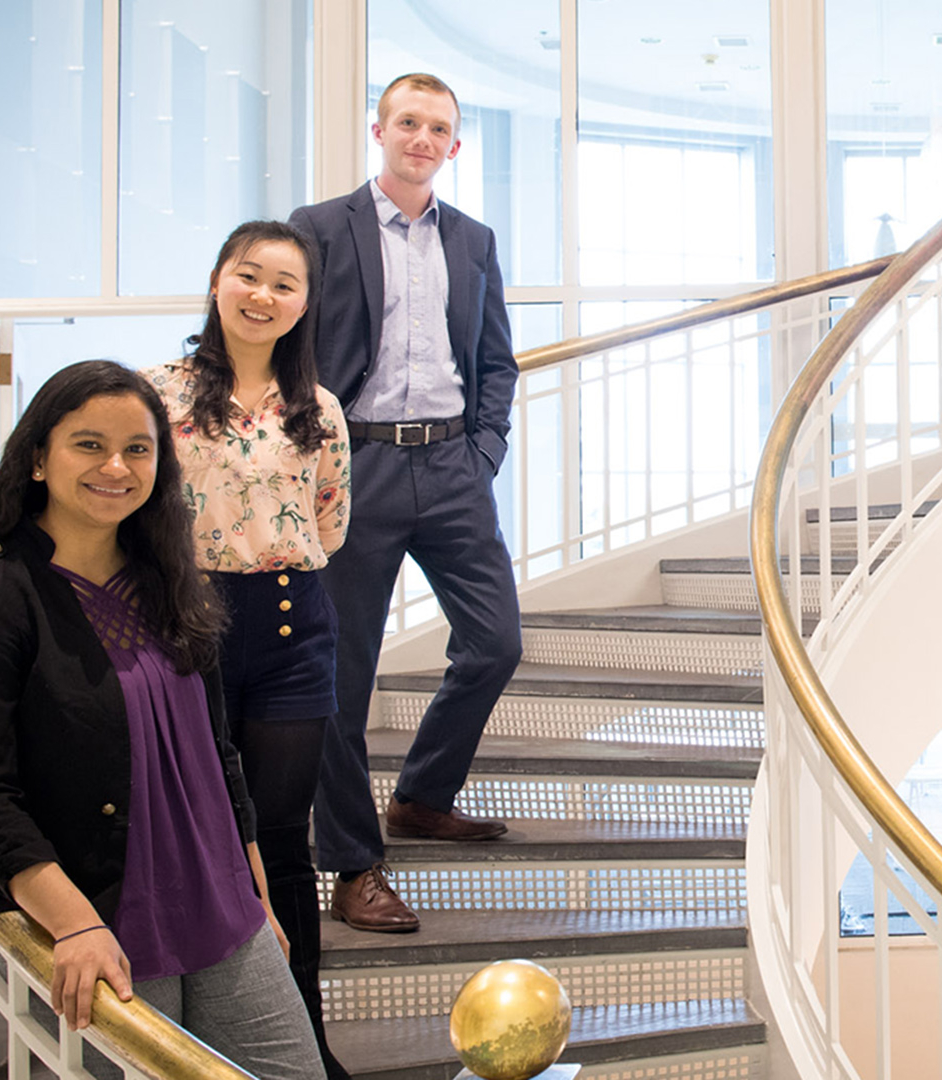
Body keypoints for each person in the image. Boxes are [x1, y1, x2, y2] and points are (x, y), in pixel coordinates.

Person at [0, 361, 325, 1080]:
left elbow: (218, 753)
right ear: (37, 457)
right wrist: (73, 923)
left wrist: (257, 891)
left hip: (226, 914)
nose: (116, 466)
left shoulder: (172, 584)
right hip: (107, 921)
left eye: (138, 448)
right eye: (88, 445)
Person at [290, 72, 522, 935]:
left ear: (454, 146)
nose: (423, 138)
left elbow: (496, 359)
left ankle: (423, 795)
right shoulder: (319, 229)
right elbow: (295, 349)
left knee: (496, 642)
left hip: (453, 465)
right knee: (342, 678)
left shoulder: (474, 239)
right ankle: (353, 865)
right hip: (356, 466)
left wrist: (484, 450)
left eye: (439, 128)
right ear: (379, 130)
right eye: (409, 122)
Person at [142, 220, 351, 1079]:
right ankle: (204, 1040)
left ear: (305, 303)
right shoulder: (160, 391)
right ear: (220, 281)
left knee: (281, 836)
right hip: (194, 618)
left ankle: (305, 1040)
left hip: (295, 623)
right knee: (206, 834)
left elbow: (330, 525)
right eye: (249, 276)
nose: (263, 296)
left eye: (284, 284)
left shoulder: (320, 408)